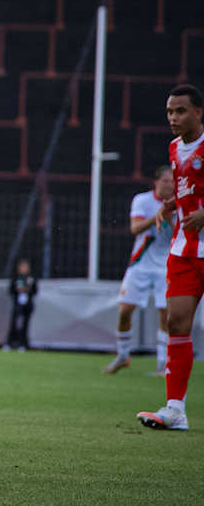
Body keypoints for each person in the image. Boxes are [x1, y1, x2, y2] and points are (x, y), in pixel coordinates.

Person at [138, 84, 204, 431]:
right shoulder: (175, 148)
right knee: (176, 322)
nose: (173, 118)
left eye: (180, 111)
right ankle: (175, 409)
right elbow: (184, 190)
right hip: (184, 250)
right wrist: (170, 206)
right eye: (169, 112)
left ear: (198, 112)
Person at [103, 166, 174, 375]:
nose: (169, 185)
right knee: (125, 311)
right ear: (156, 182)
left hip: (166, 264)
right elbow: (135, 228)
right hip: (140, 263)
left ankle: (163, 363)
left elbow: (180, 234)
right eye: (166, 181)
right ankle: (123, 355)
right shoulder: (142, 200)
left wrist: (170, 218)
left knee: (166, 313)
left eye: (172, 181)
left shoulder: (179, 205)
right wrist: (158, 216)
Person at [6, 259, 37, 351]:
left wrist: (28, 290)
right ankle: (10, 343)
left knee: (25, 325)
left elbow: (35, 291)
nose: (23, 269)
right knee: (14, 324)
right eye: (22, 267)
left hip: (27, 305)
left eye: (25, 267)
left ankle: (23, 344)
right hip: (17, 304)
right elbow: (10, 290)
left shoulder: (31, 279)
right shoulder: (16, 278)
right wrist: (18, 291)